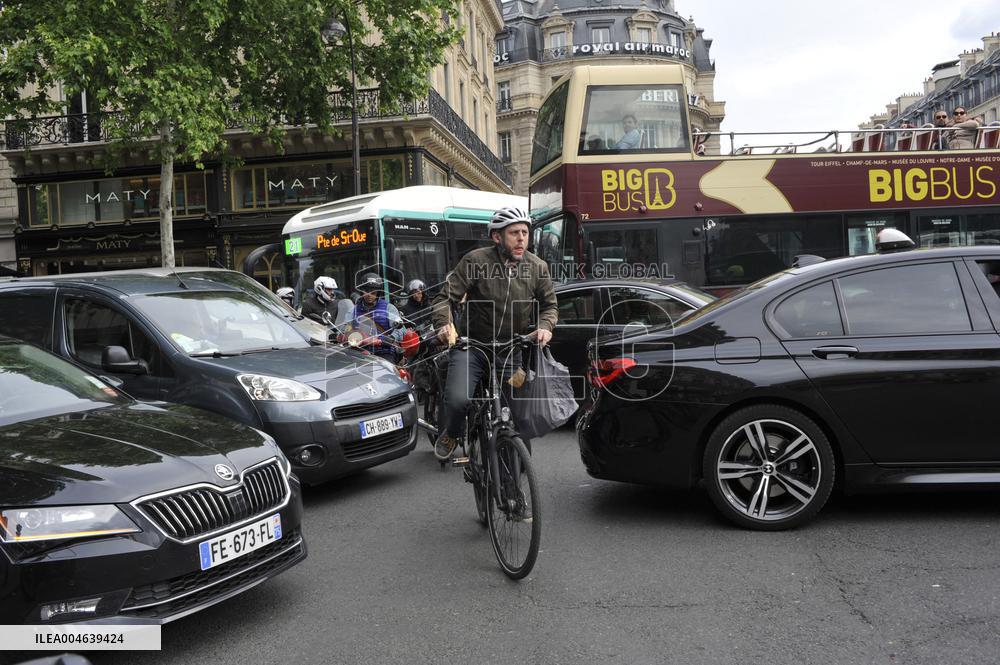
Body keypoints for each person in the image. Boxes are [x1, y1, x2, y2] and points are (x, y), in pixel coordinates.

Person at [430, 205, 558, 460]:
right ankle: (452, 433)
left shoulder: (537, 267)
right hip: (472, 349)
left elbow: (550, 306)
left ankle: (512, 460)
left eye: (525, 233)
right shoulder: (475, 261)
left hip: (511, 353)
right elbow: (444, 298)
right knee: (458, 400)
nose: (521, 239)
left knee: (517, 409)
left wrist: (545, 326)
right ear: (497, 237)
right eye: (514, 233)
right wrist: (444, 324)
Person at [348, 272, 405, 360]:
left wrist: (391, 338)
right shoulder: (353, 310)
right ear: (361, 291)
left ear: (378, 293)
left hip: (383, 351)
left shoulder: (388, 308)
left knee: (388, 367)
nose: (369, 295)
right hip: (359, 351)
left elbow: (400, 329)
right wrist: (339, 335)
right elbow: (345, 327)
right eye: (366, 291)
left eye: (373, 292)